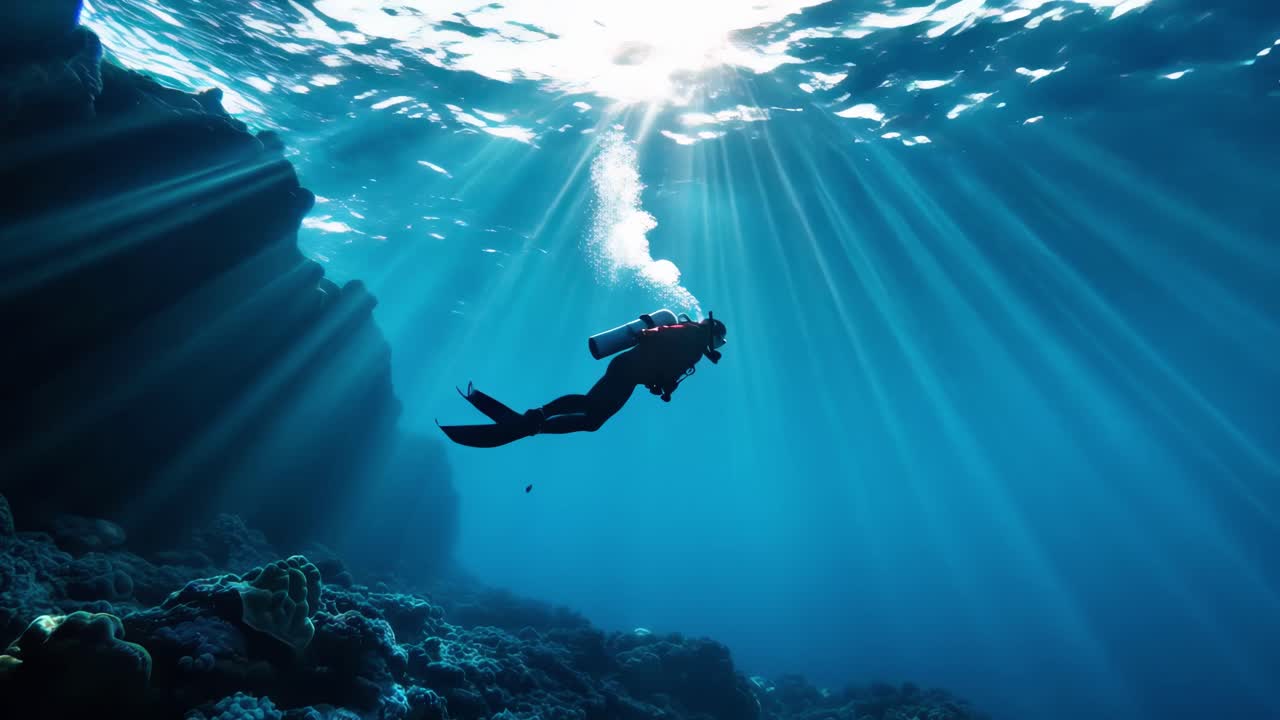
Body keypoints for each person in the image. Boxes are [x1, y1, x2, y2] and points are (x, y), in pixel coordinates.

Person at [439, 315, 727, 448]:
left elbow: (663, 365)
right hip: (628, 371)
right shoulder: (691, 338)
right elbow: (657, 341)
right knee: (591, 417)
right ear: (712, 335)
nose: (716, 348)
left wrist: (663, 383)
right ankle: (537, 421)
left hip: (627, 370)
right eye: (718, 342)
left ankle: (538, 419)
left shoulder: (691, 340)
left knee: (591, 413)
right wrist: (663, 381)